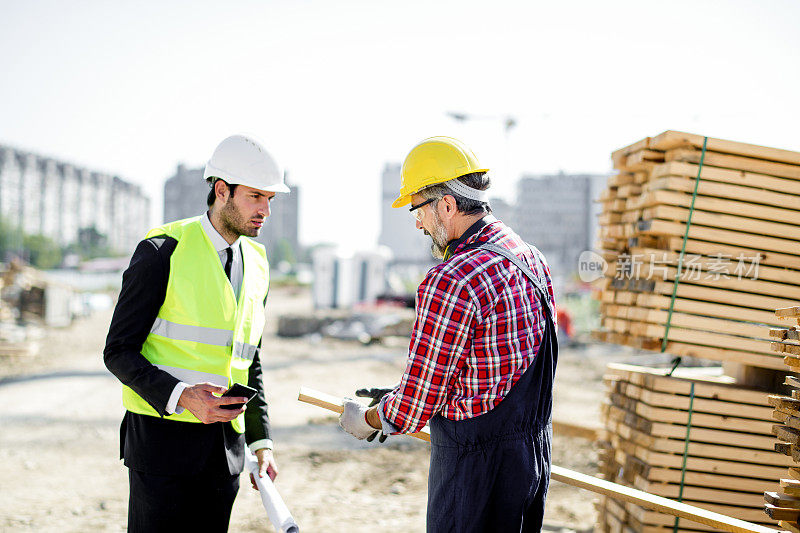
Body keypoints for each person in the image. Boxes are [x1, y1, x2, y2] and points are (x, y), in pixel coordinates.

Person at [339, 136, 558, 532]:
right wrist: (400, 392)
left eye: (417, 210)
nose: (419, 224)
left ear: (447, 204)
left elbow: (413, 407)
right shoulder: (531, 259)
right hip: (531, 462)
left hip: (474, 476)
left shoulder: (453, 278)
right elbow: (488, 371)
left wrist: (370, 418)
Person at [104, 134, 289, 532]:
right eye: (256, 196)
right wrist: (183, 397)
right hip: (161, 449)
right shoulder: (162, 250)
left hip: (224, 454)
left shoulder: (257, 262)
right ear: (222, 191)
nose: (266, 210)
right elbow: (118, 351)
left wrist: (261, 442)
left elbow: (247, 358)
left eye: (270, 199)